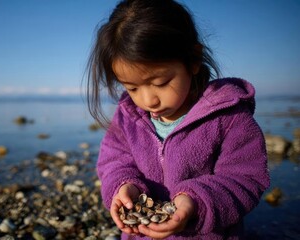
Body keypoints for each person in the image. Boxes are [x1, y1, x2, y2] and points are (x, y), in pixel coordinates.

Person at [85, 0, 270, 239]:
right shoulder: (128, 115)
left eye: (160, 83)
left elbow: (245, 179)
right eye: (132, 88)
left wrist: (195, 203)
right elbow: (113, 161)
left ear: (193, 60)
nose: (148, 100)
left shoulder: (228, 117)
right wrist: (123, 186)